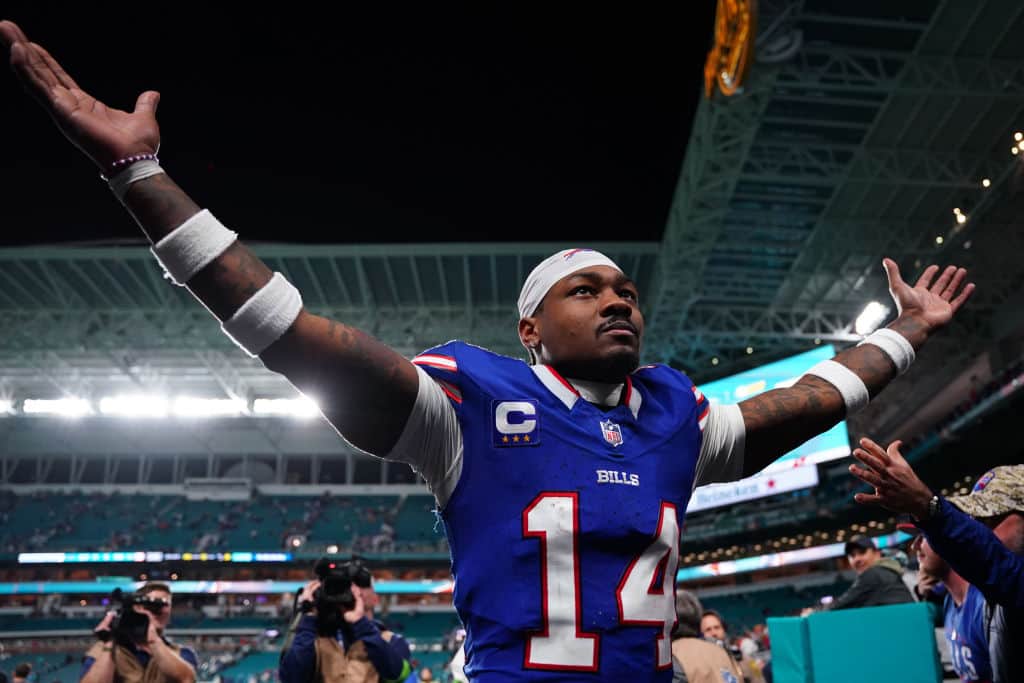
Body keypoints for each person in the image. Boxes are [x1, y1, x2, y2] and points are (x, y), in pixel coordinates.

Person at [0, 20, 976, 681]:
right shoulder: (471, 398)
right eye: (584, 290)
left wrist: (903, 331)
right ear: (528, 328)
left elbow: (807, 399)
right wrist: (140, 174)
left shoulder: (674, 412)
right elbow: (289, 329)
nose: (616, 301)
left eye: (623, 289)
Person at [849, 441, 1022, 683]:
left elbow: (998, 566)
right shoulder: (956, 602)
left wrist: (926, 506)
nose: (985, 535)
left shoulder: (993, 594)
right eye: (979, 524)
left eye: (994, 520)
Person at [279, 558, 411, 683]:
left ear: (375, 598)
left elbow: (397, 674)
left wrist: (362, 625)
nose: (353, 590)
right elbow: (291, 678)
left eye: (360, 584)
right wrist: (309, 615)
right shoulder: (312, 639)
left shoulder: (392, 640)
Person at [912, 533, 991, 682]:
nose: (914, 546)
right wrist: (923, 593)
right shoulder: (949, 600)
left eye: (924, 536)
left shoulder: (983, 603)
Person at [80, 582, 197, 683]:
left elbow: (186, 679)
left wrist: (153, 639)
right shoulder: (103, 650)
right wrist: (111, 641)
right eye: (150, 605)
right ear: (137, 608)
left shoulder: (181, 653)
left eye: (164, 604)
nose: (158, 610)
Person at [826, 535, 914, 611]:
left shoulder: (873, 574)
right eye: (852, 556)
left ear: (877, 554)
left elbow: (839, 606)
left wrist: (815, 612)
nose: (857, 559)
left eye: (862, 552)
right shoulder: (889, 570)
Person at [671, 592, 743, 683]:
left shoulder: (671, 655)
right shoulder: (723, 651)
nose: (714, 633)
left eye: (717, 627)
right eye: (708, 629)